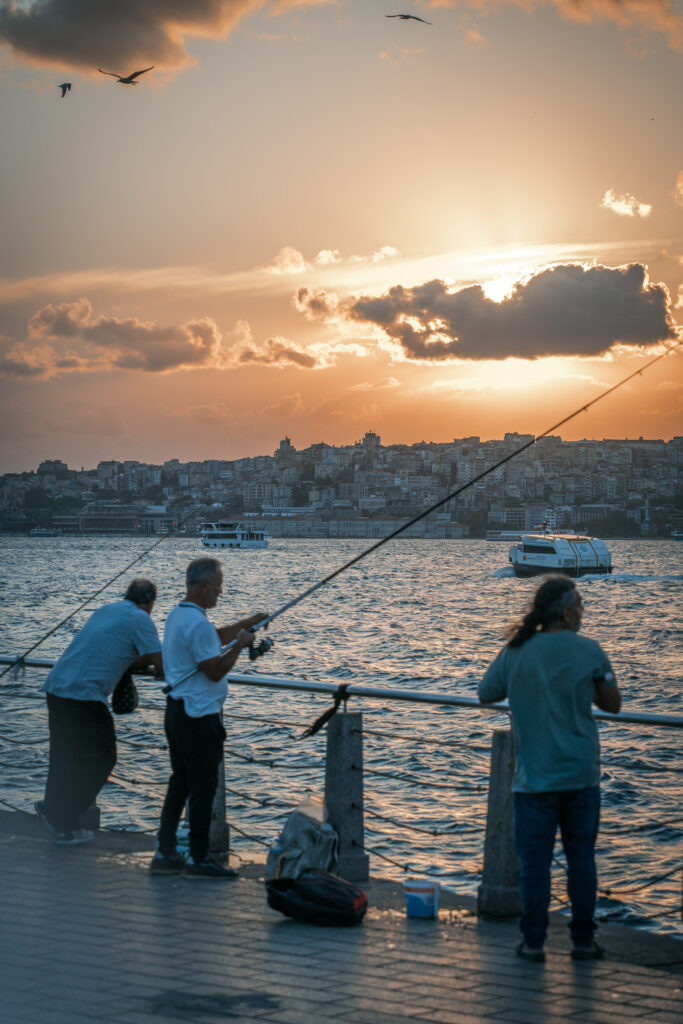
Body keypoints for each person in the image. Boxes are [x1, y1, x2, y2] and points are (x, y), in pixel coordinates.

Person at [478, 575, 621, 962]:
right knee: (581, 863)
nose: (583, 610)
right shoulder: (591, 651)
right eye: (580, 604)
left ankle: (534, 942)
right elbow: (613, 703)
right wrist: (599, 677)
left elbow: (486, 692)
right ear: (565, 610)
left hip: (534, 780)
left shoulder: (516, 651)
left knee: (535, 868)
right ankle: (583, 941)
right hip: (580, 775)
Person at [150, 557, 266, 879]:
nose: (221, 590)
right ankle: (199, 860)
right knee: (203, 789)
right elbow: (214, 670)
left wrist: (250, 621)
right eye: (218, 585)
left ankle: (165, 852)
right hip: (199, 717)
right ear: (204, 586)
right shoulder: (197, 623)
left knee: (180, 783)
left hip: (176, 711)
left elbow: (214, 636)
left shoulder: (179, 615)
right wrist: (241, 645)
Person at [36, 578, 163, 845]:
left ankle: (62, 822)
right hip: (84, 695)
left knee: (64, 756)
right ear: (150, 603)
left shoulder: (107, 610)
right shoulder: (142, 619)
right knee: (104, 757)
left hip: (57, 685)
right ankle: (61, 812)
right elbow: (161, 663)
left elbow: (113, 648)